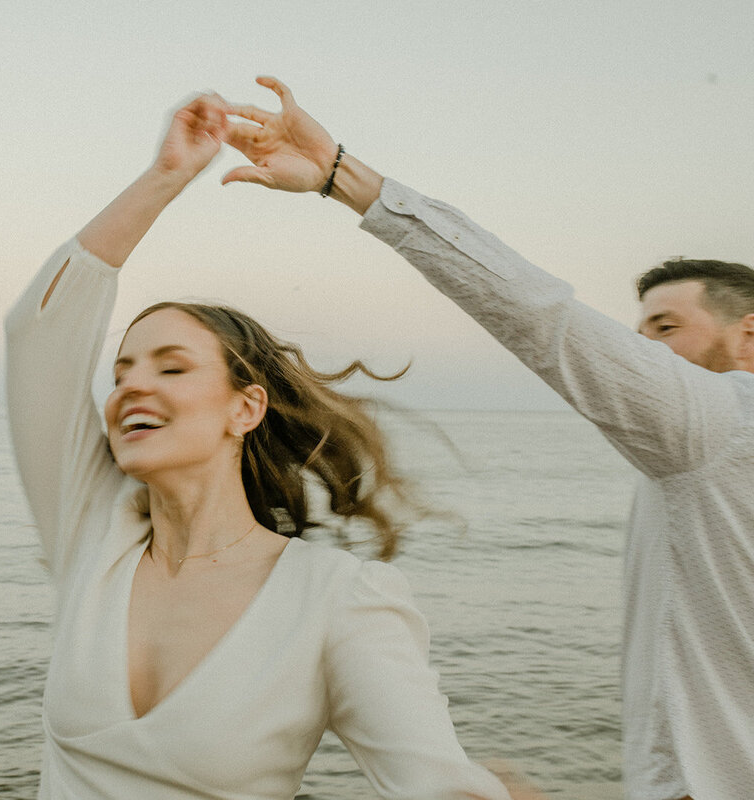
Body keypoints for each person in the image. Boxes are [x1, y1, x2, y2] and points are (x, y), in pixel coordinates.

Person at [218, 76, 754, 800]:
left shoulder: (718, 423)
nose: (643, 355)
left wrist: (348, 180)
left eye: (665, 332)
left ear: (748, 337)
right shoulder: (698, 467)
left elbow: (541, 318)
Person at [4, 93, 528, 798]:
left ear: (245, 408)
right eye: (121, 371)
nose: (130, 388)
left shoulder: (336, 600)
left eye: (171, 366)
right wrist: (164, 177)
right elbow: (40, 335)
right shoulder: (92, 532)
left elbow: (433, 787)